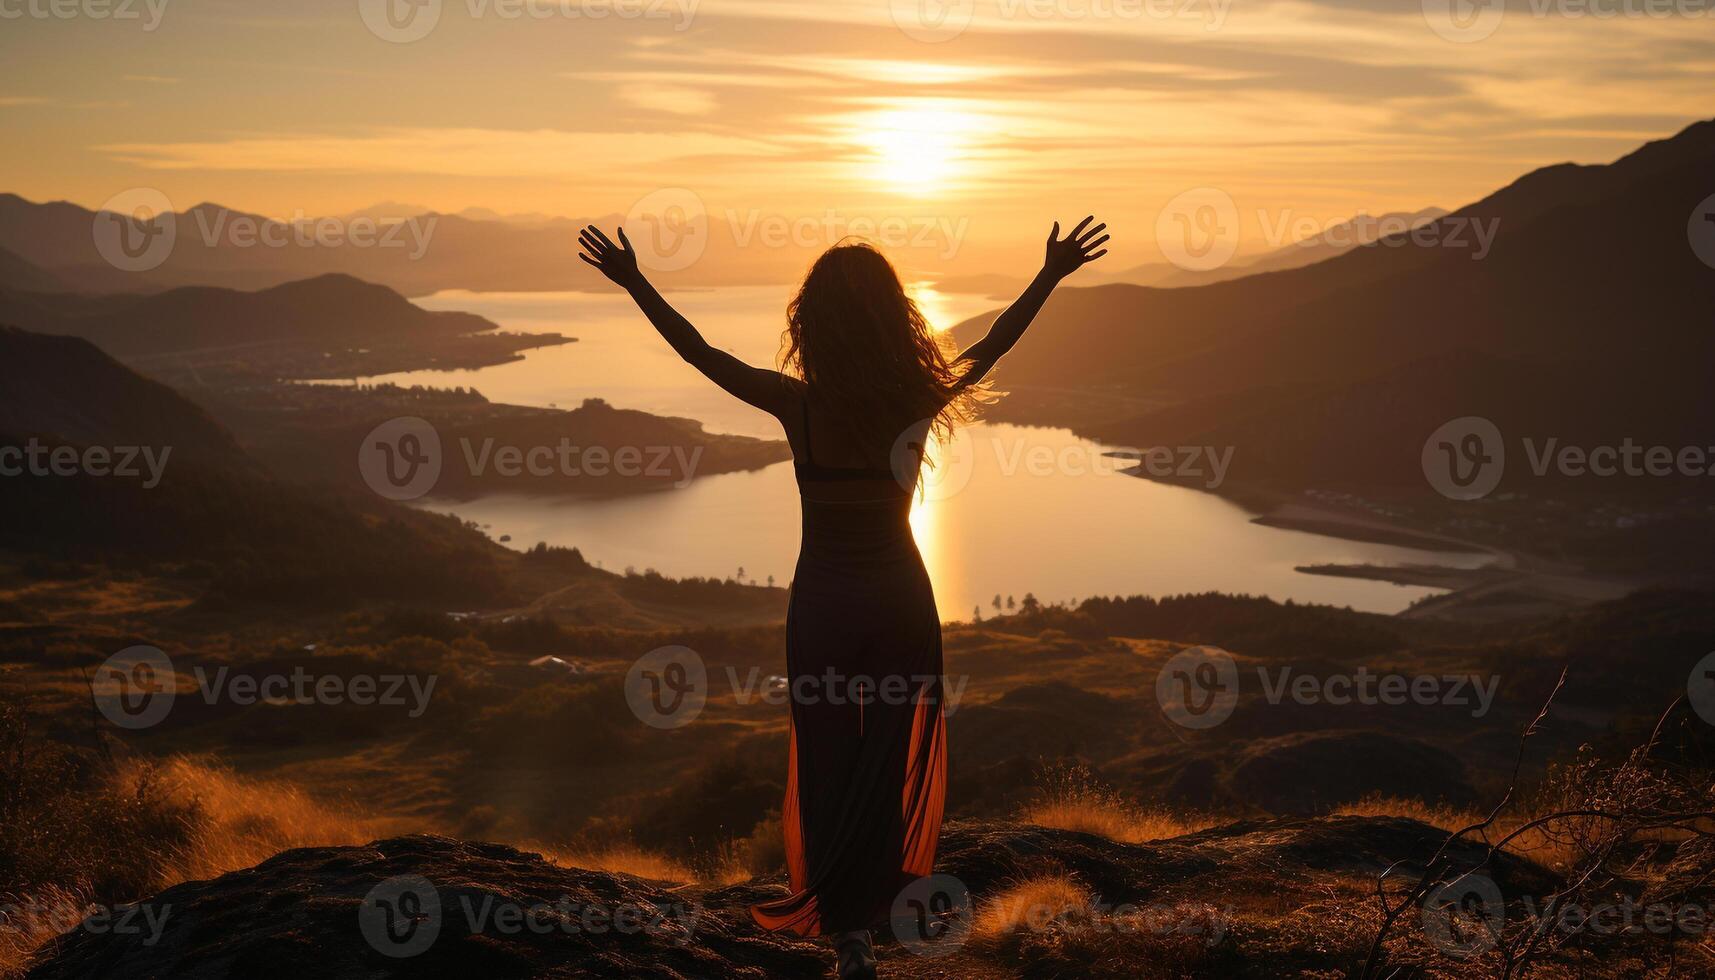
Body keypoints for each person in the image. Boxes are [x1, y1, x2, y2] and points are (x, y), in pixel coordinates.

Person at [578, 217, 1109, 979]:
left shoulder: (797, 406)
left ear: (812, 324)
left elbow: (701, 354)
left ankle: (847, 933)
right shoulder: (915, 399)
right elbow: (992, 343)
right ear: (895, 322)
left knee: (828, 759)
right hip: (897, 600)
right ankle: (877, 909)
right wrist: (1051, 274)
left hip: (824, 606)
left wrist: (634, 282)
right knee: (888, 756)